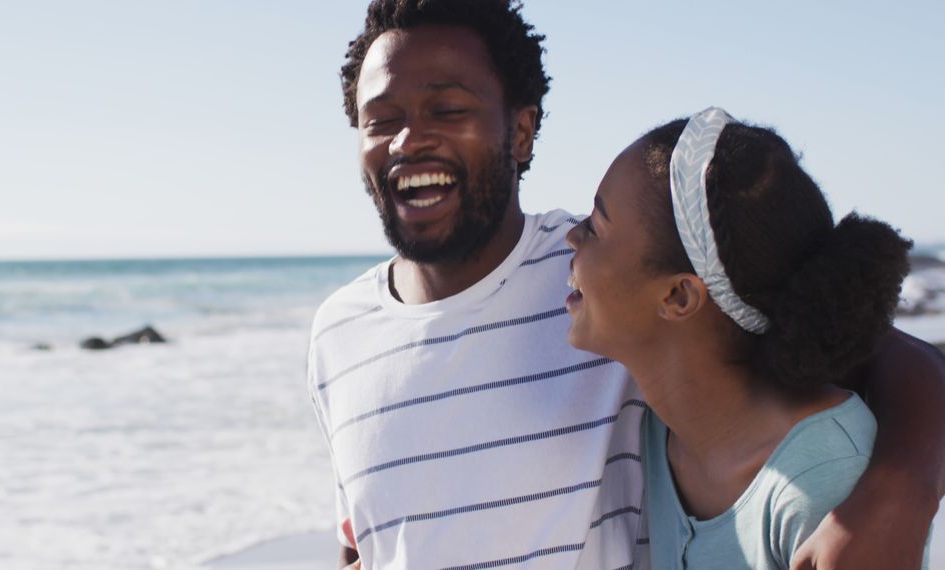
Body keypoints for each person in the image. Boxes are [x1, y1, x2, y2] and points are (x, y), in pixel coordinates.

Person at [307, 1, 945, 568]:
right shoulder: (338, 333)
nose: (409, 140)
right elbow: (367, 535)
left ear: (521, 130)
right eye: (380, 119)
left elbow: (862, 341)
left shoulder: (594, 280)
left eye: (448, 109)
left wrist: (896, 492)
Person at [565, 108, 926, 568]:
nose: (572, 236)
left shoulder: (822, 483)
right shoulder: (659, 432)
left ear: (678, 296)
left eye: (596, 226)